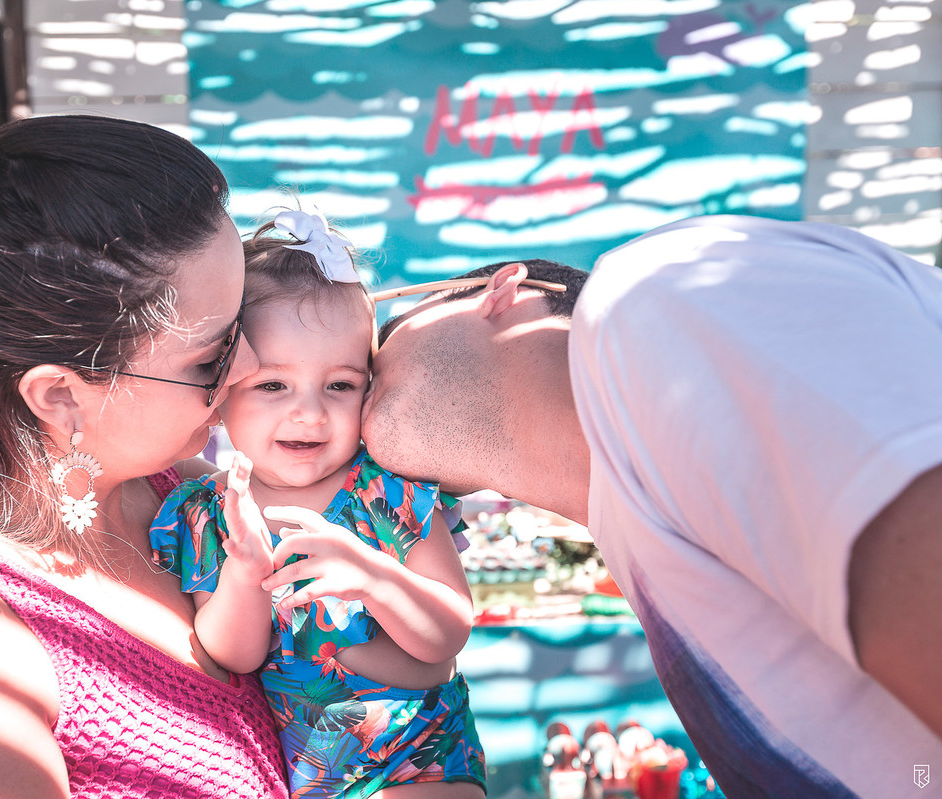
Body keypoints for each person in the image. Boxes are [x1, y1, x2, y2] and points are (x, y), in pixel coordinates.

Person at [363, 215, 942, 799]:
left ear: (505, 292)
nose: (351, 383)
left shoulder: (650, 298)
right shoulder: (633, 518)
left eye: (378, 337)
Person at [0, 115, 291, 799]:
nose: (249, 365)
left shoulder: (186, 500)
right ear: (60, 397)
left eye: (242, 320)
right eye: (212, 355)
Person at [149, 207, 487, 798]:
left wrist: (375, 577)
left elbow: (448, 631)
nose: (309, 412)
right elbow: (236, 654)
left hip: (420, 755)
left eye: (340, 385)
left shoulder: (390, 492)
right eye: (273, 385)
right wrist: (244, 574)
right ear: (223, 388)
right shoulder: (207, 512)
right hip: (304, 773)